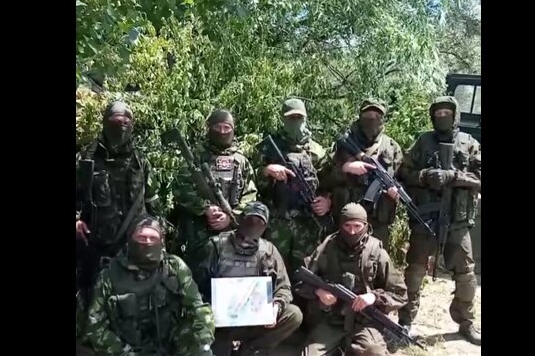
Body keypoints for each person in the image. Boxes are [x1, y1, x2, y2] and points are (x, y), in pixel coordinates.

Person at [397, 96, 482, 344]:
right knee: (414, 272)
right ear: (432, 116)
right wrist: (425, 175)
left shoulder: (469, 143)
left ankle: (466, 323)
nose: (442, 117)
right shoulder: (423, 142)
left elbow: (479, 178)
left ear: (455, 115)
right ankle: (406, 322)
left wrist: (453, 176)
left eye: (447, 112)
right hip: (426, 220)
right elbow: (403, 172)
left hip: (457, 221)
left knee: (466, 275)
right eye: (438, 113)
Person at [76, 100, 161, 346]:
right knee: (94, 297)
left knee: (136, 297)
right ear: (105, 122)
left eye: (126, 122)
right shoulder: (86, 158)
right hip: (97, 241)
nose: (121, 126)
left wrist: (158, 228)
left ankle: (133, 346)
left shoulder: (139, 160)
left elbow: (153, 199)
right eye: (115, 121)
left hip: (134, 243)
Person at [84, 217, 215, 356]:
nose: (147, 242)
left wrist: (203, 344)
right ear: (130, 240)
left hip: (172, 345)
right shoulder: (110, 274)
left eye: (153, 238)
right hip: (128, 350)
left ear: (162, 242)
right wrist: (124, 353)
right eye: (141, 237)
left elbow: (198, 308)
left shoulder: (174, 267)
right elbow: (95, 326)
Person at [296, 203, 407, 356]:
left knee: (372, 352)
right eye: (347, 225)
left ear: (366, 226)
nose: (352, 231)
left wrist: (373, 297)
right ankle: (341, 346)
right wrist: (319, 291)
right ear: (340, 225)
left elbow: (399, 293)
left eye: (357, 226)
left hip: (364, 319)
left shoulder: (376, 252)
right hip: (333, 318)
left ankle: (353, 348)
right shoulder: (327, 247)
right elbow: (301, 280)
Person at [193, 202, 303, 356]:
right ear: (240, 220)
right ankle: (224, 346)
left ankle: (251, 350)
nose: (253, 226)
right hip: (219, 323)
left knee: (293, 314)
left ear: (265, 227)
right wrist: (211, 308)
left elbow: (283, 286)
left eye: (259, 223)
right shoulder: (216, 246)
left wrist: (276, 307)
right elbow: (194, 286)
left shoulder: (268, 250)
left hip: (254, 319)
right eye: (250, 220)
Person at [251, 98, 333, 279]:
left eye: (299, 117)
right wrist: (267, 170)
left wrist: (326, 201)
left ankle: (300, 308)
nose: (295, 122)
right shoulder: (267, 147)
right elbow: (248, 179)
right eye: (291, 118)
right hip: (277, 222)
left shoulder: (317, 151)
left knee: (306, 272)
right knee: (272, 269)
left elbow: (329, 182)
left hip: (307, 223)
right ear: (283, 119)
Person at [169, 107, 257, 269]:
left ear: (233, 130)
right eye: (217, 127)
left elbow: (250, 195)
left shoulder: (241, 161)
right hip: (198, 233)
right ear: (209, 129)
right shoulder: (195, 156)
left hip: (233, 233)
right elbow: (180, 189)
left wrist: (232, 217)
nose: (222, 132)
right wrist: (205, 208)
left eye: (226, 128)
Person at [322, 99, 406, 229]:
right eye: (367, 116)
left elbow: (403, 178)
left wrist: (396, 191)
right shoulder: (345, 145)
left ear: (383, 120)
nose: (372, 120)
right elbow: (323, 178)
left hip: (378, 222)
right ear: (360, 117)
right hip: (346, 221)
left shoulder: (392, 147)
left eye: (376, 117)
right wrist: (346, 168)